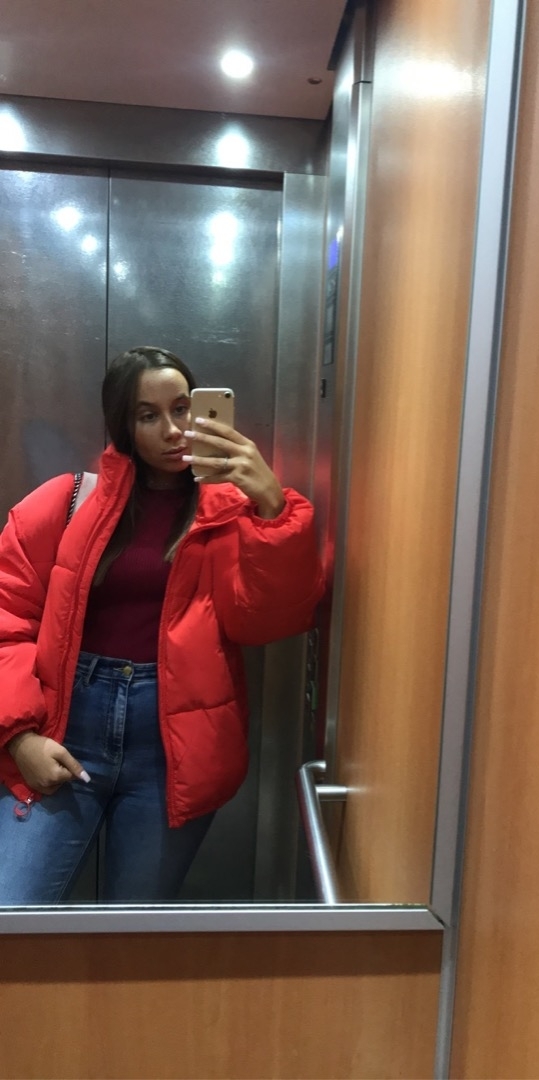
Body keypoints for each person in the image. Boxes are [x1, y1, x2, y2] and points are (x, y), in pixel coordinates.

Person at [0, 346, 324, 903]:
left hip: (172, 750)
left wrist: (272, 508)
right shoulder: (67, 501)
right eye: (148, 415)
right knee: (12, 908)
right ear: (124, 427)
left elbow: (266, 622)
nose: (174, 430)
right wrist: (19, 737)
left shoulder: (231, 514)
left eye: (182, 408)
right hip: (64, 730)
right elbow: (7, 618)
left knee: (135, 931)